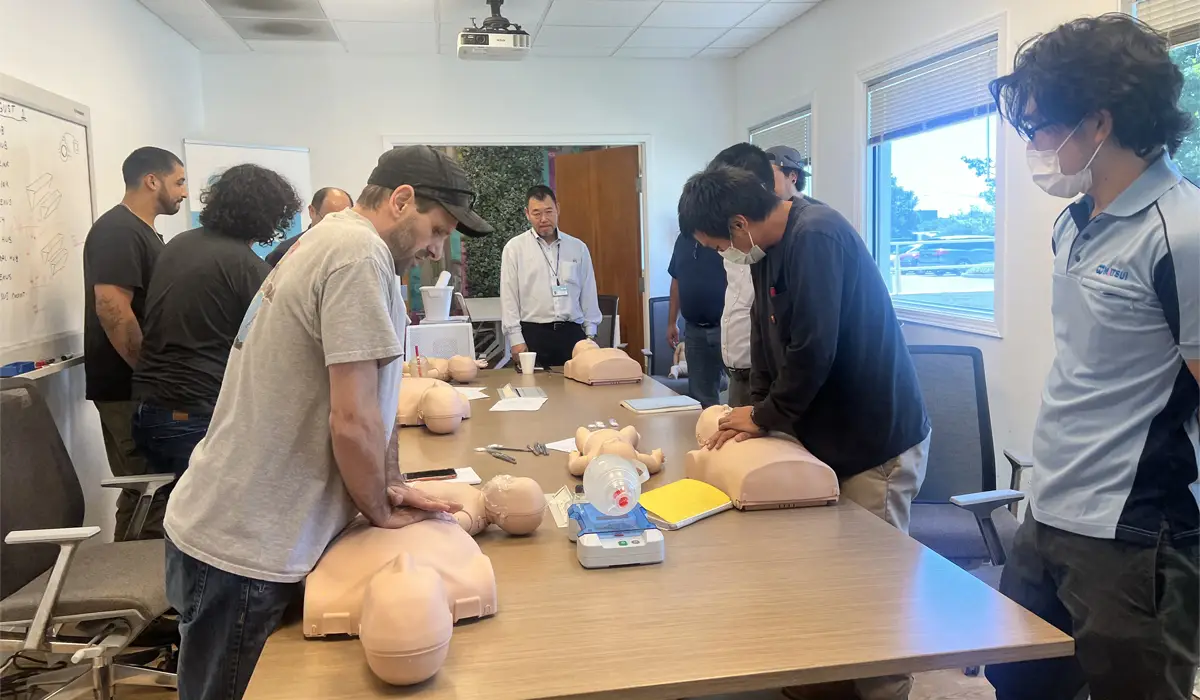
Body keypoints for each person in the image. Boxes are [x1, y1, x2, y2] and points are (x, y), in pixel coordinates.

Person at [162, 145, 493, 700]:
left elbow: (378, 406)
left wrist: (390, 486)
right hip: (246, 546)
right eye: (437, 230)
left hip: (248, 528)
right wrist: (380, 509)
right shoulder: (357, 256)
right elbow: (353, 419)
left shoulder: (336, 240)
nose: (438, 248)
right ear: (402, 199)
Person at [984, 15, 1198, 700]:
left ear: (1098, 124)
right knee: (1018, 682)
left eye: (1040, 127)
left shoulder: (1183, 234)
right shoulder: (1072, 223)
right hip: (1048, 507)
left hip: (1133, 532)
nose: (1034, 146)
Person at [678, 162, 930, 700]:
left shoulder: (816, 236)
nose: (724, 254)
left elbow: (815, 347)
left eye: (719, 243)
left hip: (873, 441)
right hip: (827, 437)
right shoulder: (767, 250)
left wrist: (765, 417)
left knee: (871, 596)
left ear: (740, 223)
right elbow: (768, 340)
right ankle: (819, 686)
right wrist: (761, 413)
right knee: (822, 587)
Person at [131, 164, 300, 487]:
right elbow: (277, 349)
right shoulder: (247, 267)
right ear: (268, 216)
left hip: (150, 410)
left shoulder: (180, 244)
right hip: (193, 417)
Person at [82, 146, 187, 542]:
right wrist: (152, 376)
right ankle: (138, 591)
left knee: (143, 489)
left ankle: (125, 590)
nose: (184, 192)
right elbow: (112, 308)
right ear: (152, 181)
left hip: (139, 387)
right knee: (151, 490)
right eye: (178, 182)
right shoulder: (118, 230)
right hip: (129, 389)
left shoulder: (142, 231)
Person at [705, 143, 806, 407]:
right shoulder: (756, 246)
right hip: (750, 372)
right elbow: (759, 317)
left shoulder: (809, 235)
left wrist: (763, 413)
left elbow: (811, 345)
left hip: (791, 384)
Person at [500, 185, 602, 368]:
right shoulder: (514, 249)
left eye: (549, 211)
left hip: (573, 335)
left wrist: (590, 335)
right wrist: (515, 339)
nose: (544, 219)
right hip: (533, 335)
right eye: (537, 213)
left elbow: (588, 292)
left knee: (578, 393)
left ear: (558, 209)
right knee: (534, 393)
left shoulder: (578, 248)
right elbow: (509, 298)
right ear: (527, 214)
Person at [666, 231, 726, 407]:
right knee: (701, 399)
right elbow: (676, 282)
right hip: (694, 329)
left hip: (725, 328)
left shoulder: (725, 236)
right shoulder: (682, 239)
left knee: (742, 391)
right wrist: (671, 322)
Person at [265, 186, 353, 267]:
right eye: (330, 221)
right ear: (312, 212)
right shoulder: (284, 253)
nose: (338, 228)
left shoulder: (355, 250)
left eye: (344, 221)